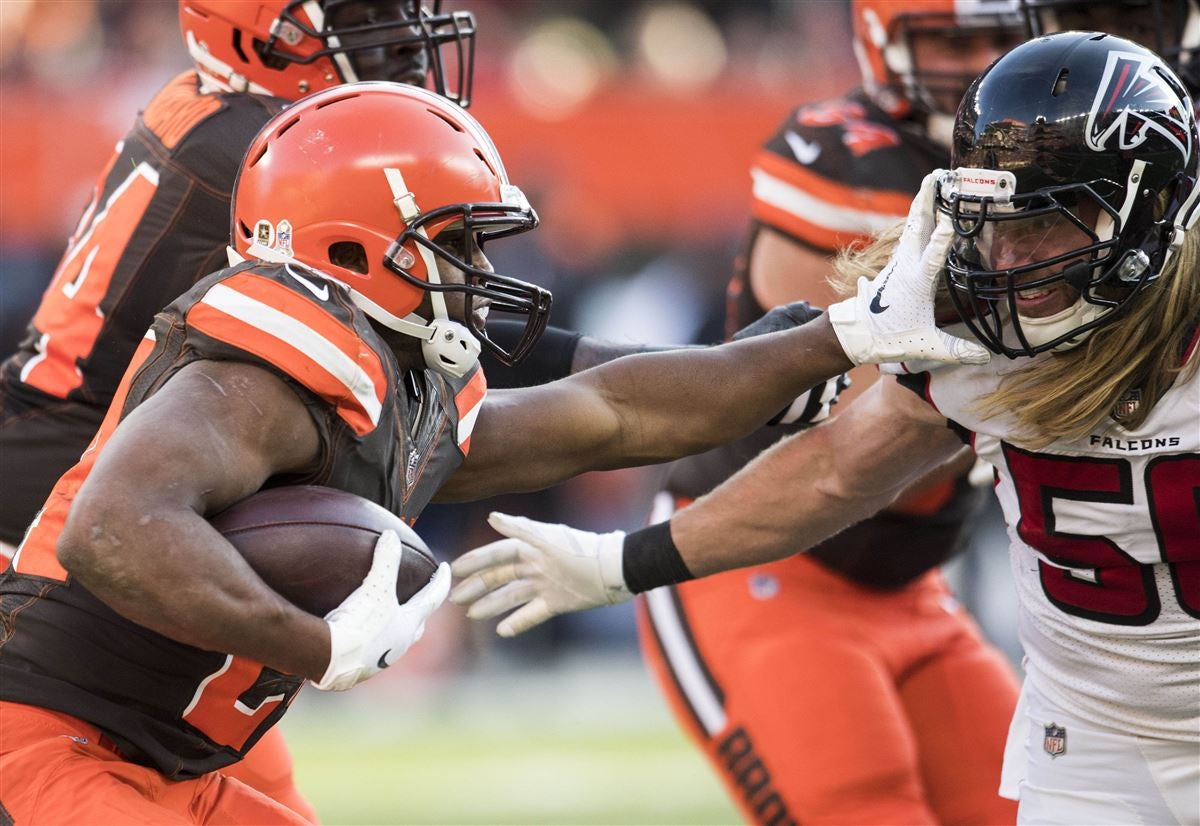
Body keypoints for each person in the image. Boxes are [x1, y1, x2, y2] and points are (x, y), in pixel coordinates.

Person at [0, 80, 983, 825]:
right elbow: (112, 528)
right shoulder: (259, 374)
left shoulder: (393, 377)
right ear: (349, 249)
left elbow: (608, 410)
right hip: (51, 740)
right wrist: (319, 644)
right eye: (456, 243)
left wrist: (841, 337)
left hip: (176, 753)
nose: (480, 272)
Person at [451, 32, 1200, 826]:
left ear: (1151, 212)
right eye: (993, 222)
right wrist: (617, 562)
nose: (1009, 257)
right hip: (1087, 744)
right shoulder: (966, 321)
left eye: (1042, 224)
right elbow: (834, 467)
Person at [0, 1, 477, 818]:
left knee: (218, 767)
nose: (401, 37)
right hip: (59, 534)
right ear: (261, 28)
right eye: (365, 14)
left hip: (89, 487)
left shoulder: (213, 110)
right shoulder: (268, 157)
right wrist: (319, 647)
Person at [631, 2, 1028, 822]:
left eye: (1001, 37)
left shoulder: (1048, 157)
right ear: (883, 40)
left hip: (909, 582)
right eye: (953, 40)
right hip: (760, 551)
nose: (984, 62)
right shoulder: (843, 156)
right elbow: (853, 427)